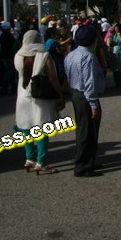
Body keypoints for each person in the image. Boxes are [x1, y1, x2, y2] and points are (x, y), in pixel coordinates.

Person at [13, 30, 63, 175]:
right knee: (41, 128)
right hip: (40, 95)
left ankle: (29, 158)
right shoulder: (44, 54)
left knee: (25, 127)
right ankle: (41, 162)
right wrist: (60, 95)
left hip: (22, 95)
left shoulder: (18, 55)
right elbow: (53, 77)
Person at [64, 24, 105, 178]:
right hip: (85, 96)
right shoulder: (88, 57)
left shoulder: (71, 54)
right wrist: (94, 105)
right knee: (87, 131)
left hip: (76, 93)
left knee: (86, 130)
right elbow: (89, 83)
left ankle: (89, 160)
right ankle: (82, 166)